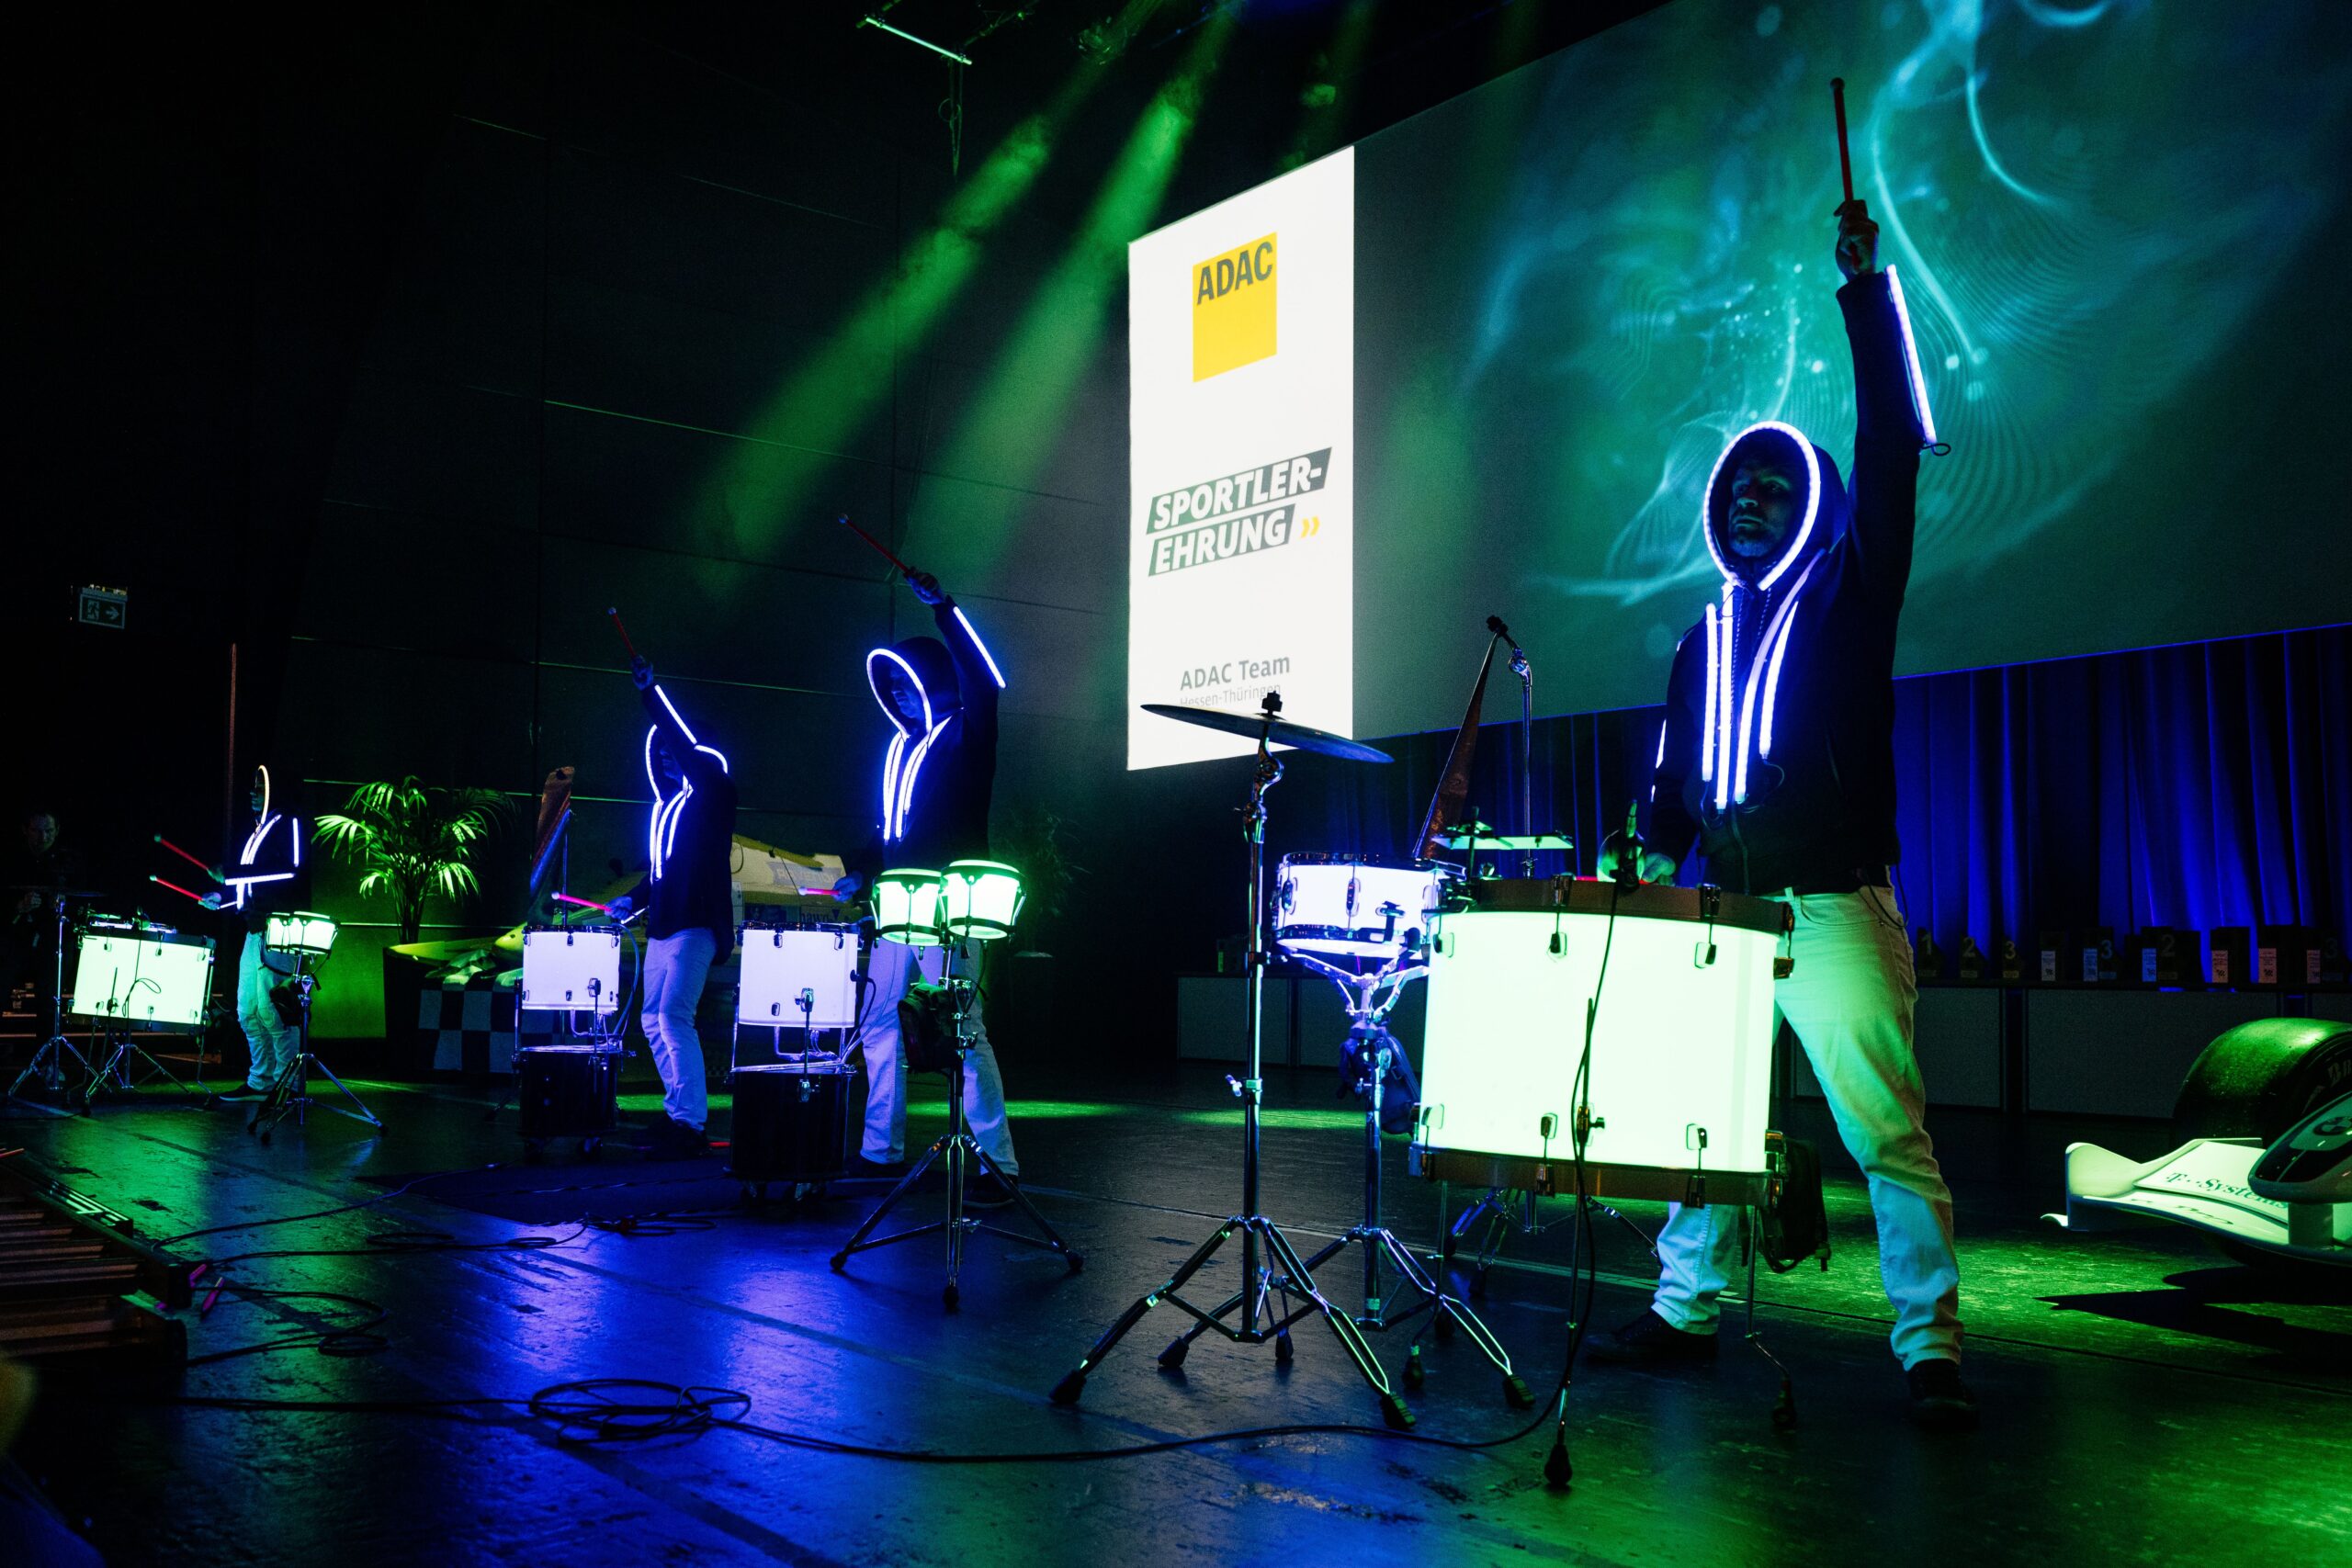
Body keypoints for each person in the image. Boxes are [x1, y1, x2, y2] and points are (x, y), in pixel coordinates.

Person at [1592, 197, 1974, 1429]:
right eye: (1737, 488)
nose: (1751, 499)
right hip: (1727, 913)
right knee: (1698, 1122)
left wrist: (1864, 295)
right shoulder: (1704, 636)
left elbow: (1890, 447)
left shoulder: (1854, 597)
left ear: (1805, 500)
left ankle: (1931, 1345)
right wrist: (1645, 853)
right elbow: (1672, 778)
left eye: (1774, 484)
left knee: (1884, 1134)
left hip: (1836, 908)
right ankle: (1683, 1310)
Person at [833, 568, 1020, 1205]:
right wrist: (861, 868)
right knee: (879, 1020)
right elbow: (892, 836)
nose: (899, 695)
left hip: (955, 901)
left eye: (907, 684)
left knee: (963, 1027)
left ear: (932, 682)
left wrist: (945, 609)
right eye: (892, 688)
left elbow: (987, 686)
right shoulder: (901, 751)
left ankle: (997, 1163)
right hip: (898, 904)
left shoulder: (967, 736)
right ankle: (879, 1151)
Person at [610, 659, 736, 1156]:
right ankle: (679, 1113)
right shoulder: (668, 810)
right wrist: (635, 899)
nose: (667, 760)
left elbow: (690, 754)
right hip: (664, 927)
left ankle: (689, 1123)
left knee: (672, 1016)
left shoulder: (715, 795)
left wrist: (652, 696)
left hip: (695, 927)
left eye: (675, 753)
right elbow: (661, 873)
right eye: (660, 754)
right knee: (653, 1020)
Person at [209, 769, 308, 1100]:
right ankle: (262, 1080)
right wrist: (222, 899)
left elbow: (291, 870)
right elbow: (251, 886)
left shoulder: (290, 821)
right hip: (256, 932)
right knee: (248, 1009)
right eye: (252, 788)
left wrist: (233, 873)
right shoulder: (261, 830)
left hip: (280, 930)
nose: (253, 793)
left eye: (261, 788)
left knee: (274, 1009)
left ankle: (286, 1084)